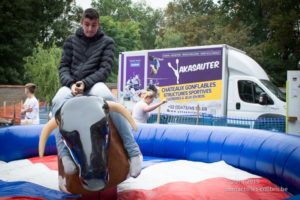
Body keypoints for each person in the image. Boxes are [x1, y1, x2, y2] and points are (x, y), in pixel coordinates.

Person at [51, 8, 142, 177]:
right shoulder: (70, 41)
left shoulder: (107, 42)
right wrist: (71, 84)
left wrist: (85, 83)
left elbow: (105, 70)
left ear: (98, 24)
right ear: (81, 23)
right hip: (71, 85)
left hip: (93, 84)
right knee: (57, 102)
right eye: (87, 24)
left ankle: (133, 151)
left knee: (107, 98)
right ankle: (65, 156)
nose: (90, 29)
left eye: (93, 25)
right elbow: (63, 67)